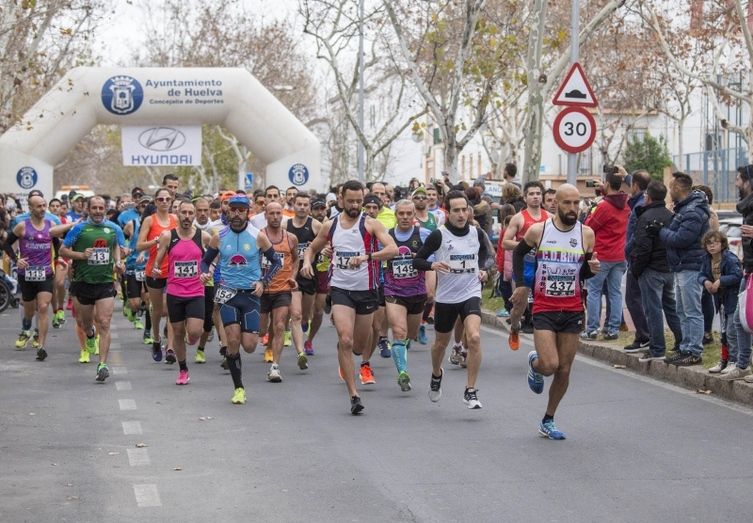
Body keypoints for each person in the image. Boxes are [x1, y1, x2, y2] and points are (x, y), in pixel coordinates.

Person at [510, 184, 600, 440]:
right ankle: (534, 363)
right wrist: (522, 285)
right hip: (545, 306)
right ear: (555, 204)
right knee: (549, 364)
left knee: (564, 370)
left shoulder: (587, 234)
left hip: (572, 308)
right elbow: (518, 254)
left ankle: (548, 419)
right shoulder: (539, 231)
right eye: (567, 203)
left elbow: (583, 272)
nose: (573, 208)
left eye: (576, 203)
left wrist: (591, 270)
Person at [300, 180, 398, 415]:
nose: (355, 205)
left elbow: (393, 249)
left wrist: (368, 257)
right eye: (351, 201)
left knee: (358, 346)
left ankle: (349, 356)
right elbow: (312, 248)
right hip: (341, 289)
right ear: (341, 199)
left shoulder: (371, 225)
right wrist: (306, 262)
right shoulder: (330, 226)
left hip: (366, 291)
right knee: (345, 339)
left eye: (359, 201)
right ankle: (354, 395)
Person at [413, 190, 491, 409]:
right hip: (447, 297)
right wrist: (432, 265)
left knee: (474, 337)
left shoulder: (476, 233)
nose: (460, 214)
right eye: (455, 210)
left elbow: (486, 253)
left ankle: (470, 390)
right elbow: (417, 260)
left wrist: (483, 269)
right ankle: (436, 374)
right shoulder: (439, 235)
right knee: (440, 344)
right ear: (447, 212)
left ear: (469, 210)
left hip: (470, 292)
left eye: (464, 210)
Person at [201, 195, 280, 404]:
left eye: (241, 210)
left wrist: (263, 281)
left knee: (250, 345)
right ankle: (238, 388)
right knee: (233, 339)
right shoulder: (219, 236)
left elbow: (276, 262)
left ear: (248, 212)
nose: (236, 214)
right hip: (227, 292)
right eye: (233, 210)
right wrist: (204, 273)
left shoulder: (258, 236)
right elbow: (205, 261)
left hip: (251, 295)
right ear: (228, 212)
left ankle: (239, 364)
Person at [59, 196, 126, 382]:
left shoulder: (114, 228)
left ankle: (102, 364)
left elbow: (119, 249)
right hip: (82, 282)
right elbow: (63, 251)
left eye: (101, 208)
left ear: (106, 209)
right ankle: (90, 335)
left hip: (105, 282)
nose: (98, 211)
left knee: (104, 322)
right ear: (88, 209)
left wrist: (120, 264)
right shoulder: (79, 229)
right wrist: (81, 254)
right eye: (94, 208)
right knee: (84, 322)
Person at [649, 172, 711, 366]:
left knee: (692, 311)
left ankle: (694, 351)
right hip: (682, 266)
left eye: (671, 187)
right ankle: (685, 347)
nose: (669, 191)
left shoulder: (692, 212)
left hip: (691, 266)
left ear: (678, 188)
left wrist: (661, 231)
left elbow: (680, 239)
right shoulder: (685, 209)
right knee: (682, 310)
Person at [152, 200, 212, 385]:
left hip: (196, 291)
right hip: (175, 292)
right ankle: (183, 369)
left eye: (190, 213)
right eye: (183, 212)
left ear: (194, 215)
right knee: (177, 332)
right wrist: (155, 269)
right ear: (177, 214)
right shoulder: (167, 236)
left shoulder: (204, 236)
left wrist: (208, 271)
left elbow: (213, 258)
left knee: (195, 332)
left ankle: (192, 336)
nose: (187, 216)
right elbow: (158, 259)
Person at [630, 181, 683, 362]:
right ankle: (681, 341)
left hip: (651, 269)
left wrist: (636, 269)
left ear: (649, 197)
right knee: (671, 307)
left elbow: (642, 248)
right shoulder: (671, 215)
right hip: (668, 268)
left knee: (653, 311)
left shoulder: (645, 217)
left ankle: (657, 349)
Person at [3, 195, 59, 360]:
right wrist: (16, 259)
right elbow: (6, 243)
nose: (43, 209)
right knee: (29, 311)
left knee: (42, 307)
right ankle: (26, 326)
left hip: (46, 273)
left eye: (44, 205)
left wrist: (58, 260)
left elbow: (57, 244)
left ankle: (41, 345)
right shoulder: (22, 226)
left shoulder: (51, 226)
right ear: (31, 209)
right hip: (26, 274)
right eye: (39, 206)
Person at [384, 199, 432, 391]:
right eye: (401, 214)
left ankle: (403, 346)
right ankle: (402, 373)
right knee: (398, 332)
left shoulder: (425, 234)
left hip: (417, 292)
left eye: (408, 214)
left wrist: (431, 286)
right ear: (396, 215)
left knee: (409, 335)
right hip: (393, 290)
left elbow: (433, 262)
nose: (404, 217)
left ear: (414, 215)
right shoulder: (386, 237)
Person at [260, 201, 305, 382]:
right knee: (261, 329)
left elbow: (295, 259)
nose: (276, 217)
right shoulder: (259, 236)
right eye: (272, 213)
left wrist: (292, 276)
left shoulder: (290, 238)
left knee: (279, 326)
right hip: (262, 289)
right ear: (266, 215)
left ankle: (275, 367)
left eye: (279, 213)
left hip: (282, 289)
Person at [582, 170, 630, 340]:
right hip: (620, 255)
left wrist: (591, 210)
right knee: (615, 292)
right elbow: (615, 197)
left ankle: (592, 329)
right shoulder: (626, 204)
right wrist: (604, 190)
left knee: (594, 292)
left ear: (607, 184)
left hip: (601, 255)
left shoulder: (602, 206)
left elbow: (589, 226)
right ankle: (612, 329)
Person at [503, 181, 549, 340]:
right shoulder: (518, 218)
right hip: (523, 266)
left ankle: (542, 338)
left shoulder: (550, 218)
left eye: (538, 193)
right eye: (532, 194)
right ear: (525, 197)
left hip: (543, 267)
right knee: (519, 306)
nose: (535, 197)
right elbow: (505, 242)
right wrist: (526, 245)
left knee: (543, 306)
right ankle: (515, 326)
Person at [137, 188, 178, 363]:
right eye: (160, 199)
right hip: (154, 270)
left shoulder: (176, 219)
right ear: (155, 201)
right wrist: (157, 240)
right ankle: (156, 338)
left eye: (167, 199)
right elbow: (139, 245)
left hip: (173, 270)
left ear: (171, 201)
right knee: (157, 310)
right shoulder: (149, 220)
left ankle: (170, 348)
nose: (164, 201)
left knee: (170, 309)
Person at [697, 230, 743, 378]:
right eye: (709, 243)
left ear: (722, 244)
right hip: (720, 300)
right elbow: (701, 274)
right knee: (723, 332)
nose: (712, 246)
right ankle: (724, 359)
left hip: (732, 298)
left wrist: (721, 281)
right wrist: (705, 281)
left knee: (731, 331)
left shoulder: (729, 259)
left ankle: (735, 361)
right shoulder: (706, 259)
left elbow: (737, 275)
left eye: (715, 243)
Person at [287, 192, 322, 357]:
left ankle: (304, 328)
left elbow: (328, 245)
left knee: (306, 314)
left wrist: (317, 248)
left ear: (309, 207)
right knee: (296, 314)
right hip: (292, 275)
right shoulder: (285, 225)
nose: (302, 207)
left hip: (309, 274)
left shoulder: (316, 225)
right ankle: (300, 351)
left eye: (305, 205)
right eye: (299, 204)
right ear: (293, 205)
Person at [727, 165, 753, 383]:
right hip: (749, 270)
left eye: (739, 179)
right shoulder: (747, 209)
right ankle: (743, 364)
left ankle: (743, 363)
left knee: (742, 319)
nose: (736, 183)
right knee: (741, 320)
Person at [622, 170, 651, 352]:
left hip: (637, 258)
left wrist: (628, 250)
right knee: (637, 298)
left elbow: (637, 234)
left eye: (630, 184)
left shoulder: (640, 205)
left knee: (633, 298)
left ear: (635, 186)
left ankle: (644, 336)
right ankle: (644, 336)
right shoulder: (642, 200)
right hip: (637, 257)